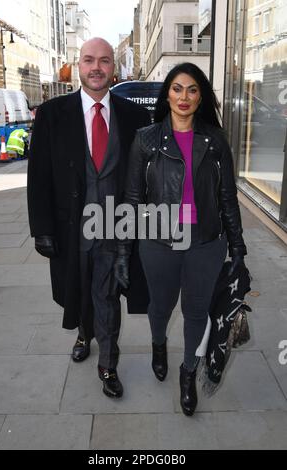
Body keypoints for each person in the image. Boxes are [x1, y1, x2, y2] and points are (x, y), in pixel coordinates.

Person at [114, 62, 247, 415]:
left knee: (196, 311)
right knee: (160, 306)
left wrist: (238, 250)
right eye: (176, 88)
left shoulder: (215, 140)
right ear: (167, 94)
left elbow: (228, 198)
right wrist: (124, 254)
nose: (183, 96)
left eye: (191, 89)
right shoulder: (146, 139)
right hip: (159, 241)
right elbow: (131, 198)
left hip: (206, 242)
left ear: (201, 95)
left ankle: (188, 372)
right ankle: (159, 343)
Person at [27, 38, 151, 399]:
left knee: (108, 296)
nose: (96, 67)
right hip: (70, 230)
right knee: (77, 290)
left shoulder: (135, 116)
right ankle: (85, 332)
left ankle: (108, 365)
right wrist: (42, 229)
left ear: (114, 68)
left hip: (116, 229)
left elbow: (146, 177)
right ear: (77, 66)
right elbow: (39, 177)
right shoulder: (51, 114)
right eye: (88, 60)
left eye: (105, 61)